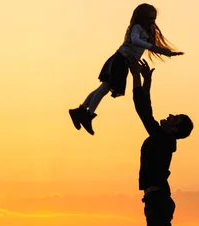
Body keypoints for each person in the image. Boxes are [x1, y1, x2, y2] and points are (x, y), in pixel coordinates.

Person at [129, 58, 194, 226]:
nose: (167, 117)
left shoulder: (163, 139)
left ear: (176, 128)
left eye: (173, 117)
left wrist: (139, 78)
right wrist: (146, 80)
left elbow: (143, 110)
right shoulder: (162, 139)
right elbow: (145, 109)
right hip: (157, 200)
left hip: (158, 201)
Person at [69, 3, 184, 136]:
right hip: (120, 60)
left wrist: (167, 53)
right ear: (142, 17)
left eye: (154, 19)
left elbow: (151, 45)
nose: (152, 21)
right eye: (149, 18)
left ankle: (80, 111)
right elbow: (135, 41)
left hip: (125, 63)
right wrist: (155, 48)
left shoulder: (147, 32)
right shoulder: (136, 28)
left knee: (103, 87)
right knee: (105, 88)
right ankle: (87, 115)